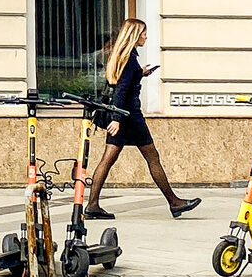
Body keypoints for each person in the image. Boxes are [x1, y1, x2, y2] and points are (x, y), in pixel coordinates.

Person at [85, 16, 201, 221]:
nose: (146, 36)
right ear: (134, 35)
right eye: (143, 33)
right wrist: (117, 119)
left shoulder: (122, 55)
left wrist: (141, 73)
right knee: (152, 157)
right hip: (130, 117)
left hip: (124, 115)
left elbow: (123, 83)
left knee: (107, 159)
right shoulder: (129, 59)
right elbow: (121, 91)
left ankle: (93, 205)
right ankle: (174, 202)